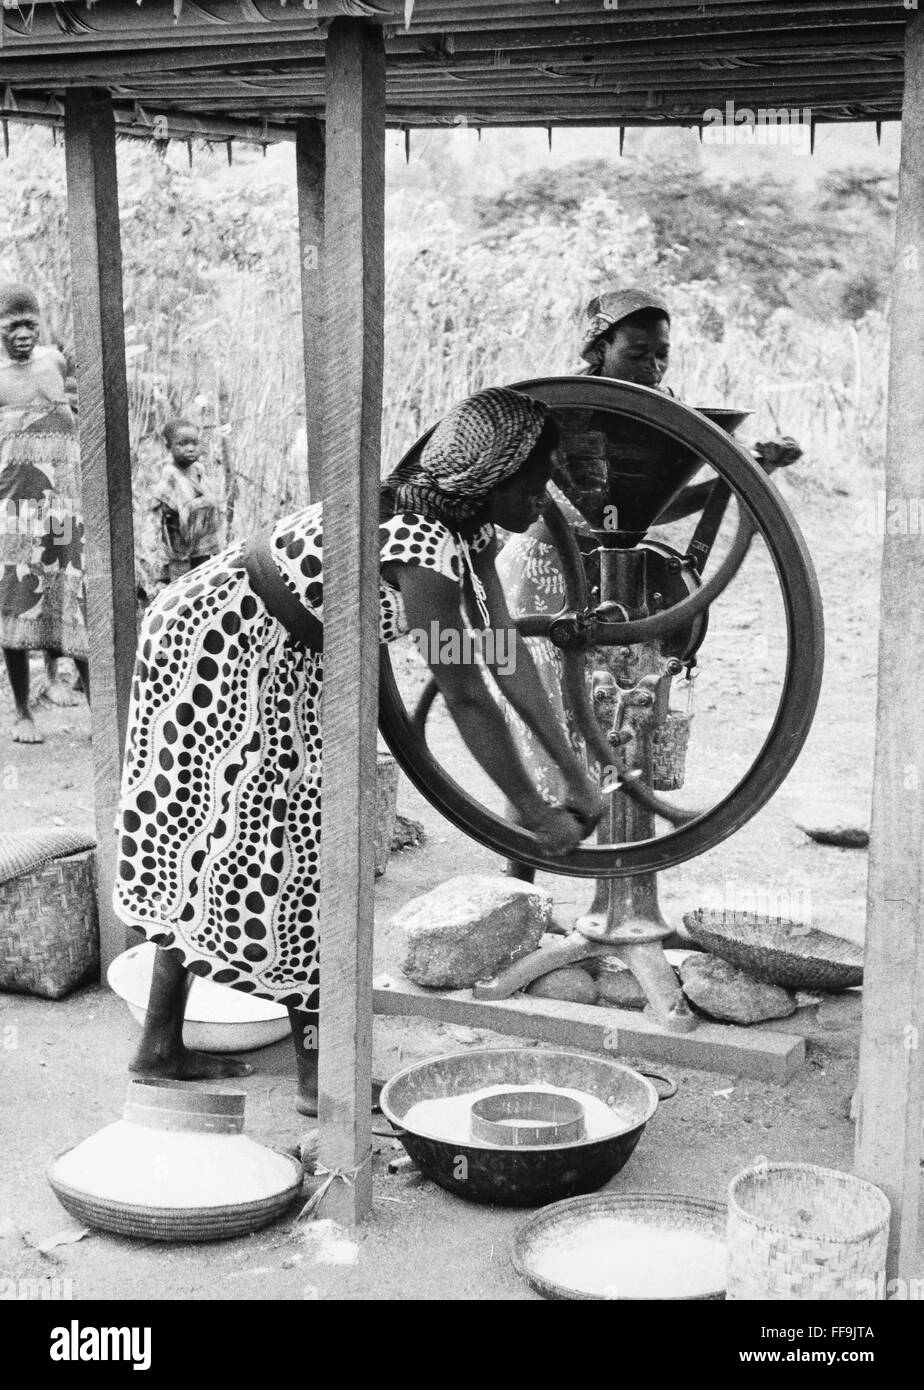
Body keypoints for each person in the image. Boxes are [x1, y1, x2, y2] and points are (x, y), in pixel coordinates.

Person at [114, 387, 604, 1114]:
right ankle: (318, 1075)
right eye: (534, 484)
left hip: (282, 652)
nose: (545, 499)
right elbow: (465, 691)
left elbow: (506, 658)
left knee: (260, 837)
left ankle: (166, 1045)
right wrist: (536, 811)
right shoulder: (421, 543)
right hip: (218, 641)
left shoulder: (468, 530)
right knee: (273, 842)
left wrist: (574, 776)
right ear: (488, 478)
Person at [497, 286, 802, 873]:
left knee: (613, 718)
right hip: (545, 573)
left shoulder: (663, 404)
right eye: (638, 353)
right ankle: (521, 888)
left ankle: (614, 878)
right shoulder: (569, 411)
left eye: (662, 353)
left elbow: (657, 508)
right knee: (545, 726)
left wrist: (753, 471)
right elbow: (582, 507)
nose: (654, 366)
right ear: (599, 347)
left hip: (614, 577)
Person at [0, 283, 89, 742]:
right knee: (16, 599)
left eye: (29, 324)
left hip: (61, 506)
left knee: (70, 595)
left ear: (41, 323)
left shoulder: (56, 362)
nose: (21, 334)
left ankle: (100, 712)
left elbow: (81, 416)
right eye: (11, 325)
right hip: (14, 510)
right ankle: (22, 713)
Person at [148, 417, 223, 590]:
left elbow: (210, 502)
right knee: (182, 589)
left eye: (195, 443)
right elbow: (159, 511)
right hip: (179, 549)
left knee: (204, 585)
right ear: (169, 446)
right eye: (182, 444)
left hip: (204, 545)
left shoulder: (199, 470)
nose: (190, 448)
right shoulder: (170, 473)